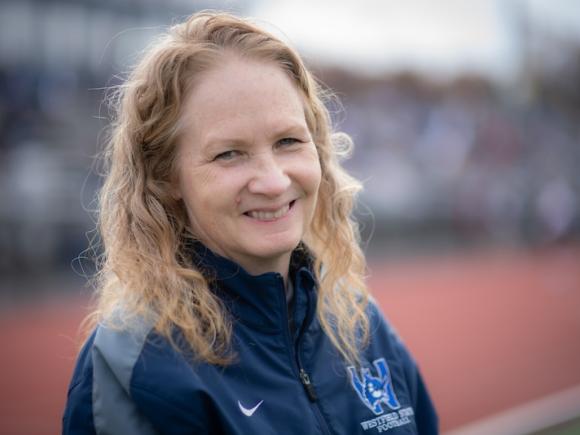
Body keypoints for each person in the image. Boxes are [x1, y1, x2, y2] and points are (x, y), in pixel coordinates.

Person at [62, 11, 438, 435]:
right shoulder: (135, 366)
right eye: (229, 153)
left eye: (288, 142)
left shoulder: (360, 325)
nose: (275, 181)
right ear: (168, 178)